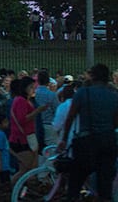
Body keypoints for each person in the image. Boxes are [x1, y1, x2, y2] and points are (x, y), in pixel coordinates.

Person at [59, 63, 118, 200]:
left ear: (93, 76)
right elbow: (116, 122)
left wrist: (64, 138)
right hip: (108, 141)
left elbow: (70, 117)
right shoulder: (114, 96)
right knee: (105, 186)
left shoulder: (83, 93)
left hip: (86, 142)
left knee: (75, 183)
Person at [8, 76, 47, 184]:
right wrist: (37, 111)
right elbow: (22, 119)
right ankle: (14, 190)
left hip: (26, 137)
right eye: (31, 87)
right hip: (21, 139)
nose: (34, 90)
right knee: (26, 169)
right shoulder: (21, 101)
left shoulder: (24, 100)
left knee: (29, 169)